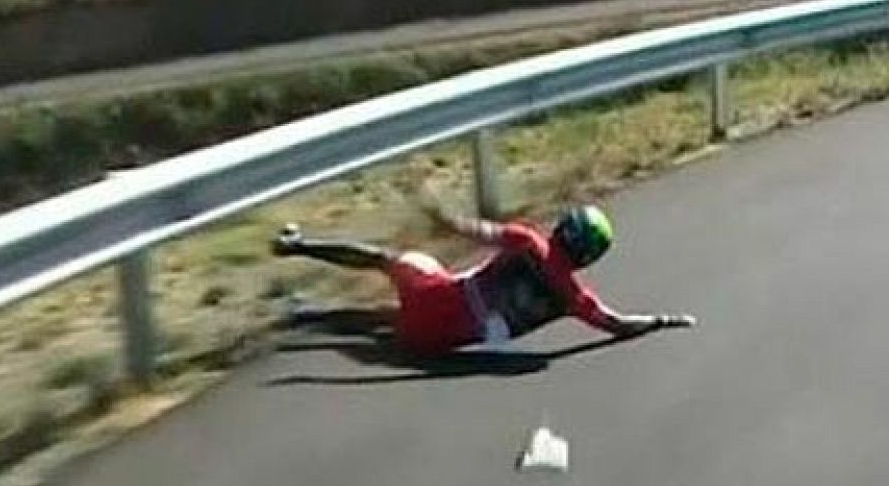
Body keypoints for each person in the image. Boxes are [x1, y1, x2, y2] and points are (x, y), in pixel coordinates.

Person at [269, 198, 696, 356]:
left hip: (438, 294)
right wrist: (663, 321)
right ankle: (308, 315)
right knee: (379, 321)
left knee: (391, 260)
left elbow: (472, 230)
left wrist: (442, 216)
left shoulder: (528, 243)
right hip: (442, 344)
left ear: (564, 227)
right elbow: (616, 325)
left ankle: (298, 245)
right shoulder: (573, 297)